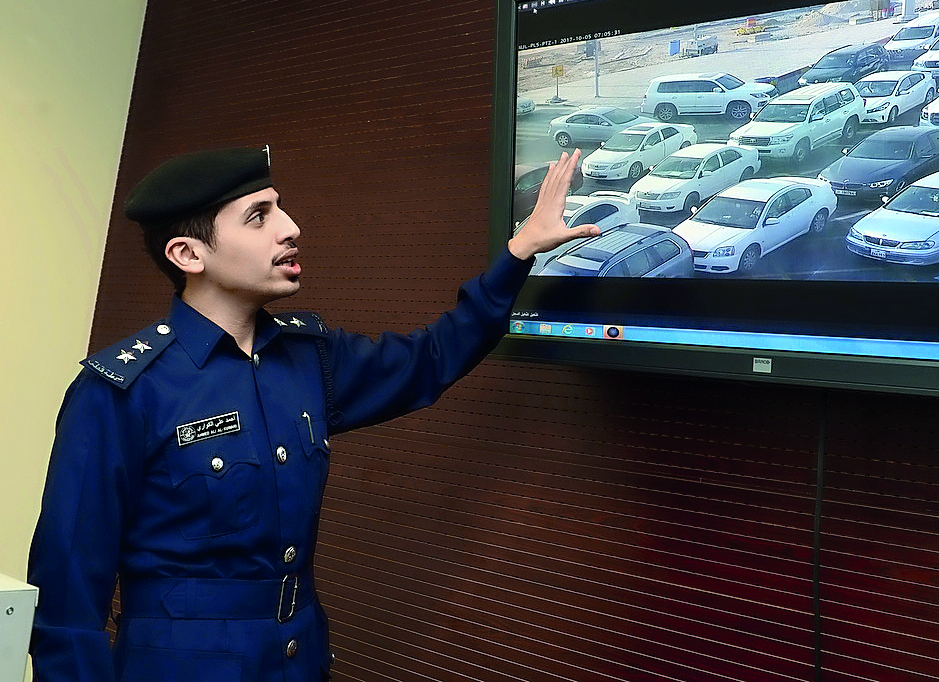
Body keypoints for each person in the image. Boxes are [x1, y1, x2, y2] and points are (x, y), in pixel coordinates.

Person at [27, 145, 597, 682]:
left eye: (281, 208)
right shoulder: (121, 390)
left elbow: (431, 359)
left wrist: (518, 254)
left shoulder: (308, 356)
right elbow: (67, 602)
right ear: (188, 254)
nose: (290, 227)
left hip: (298, 659)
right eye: (259, 216)